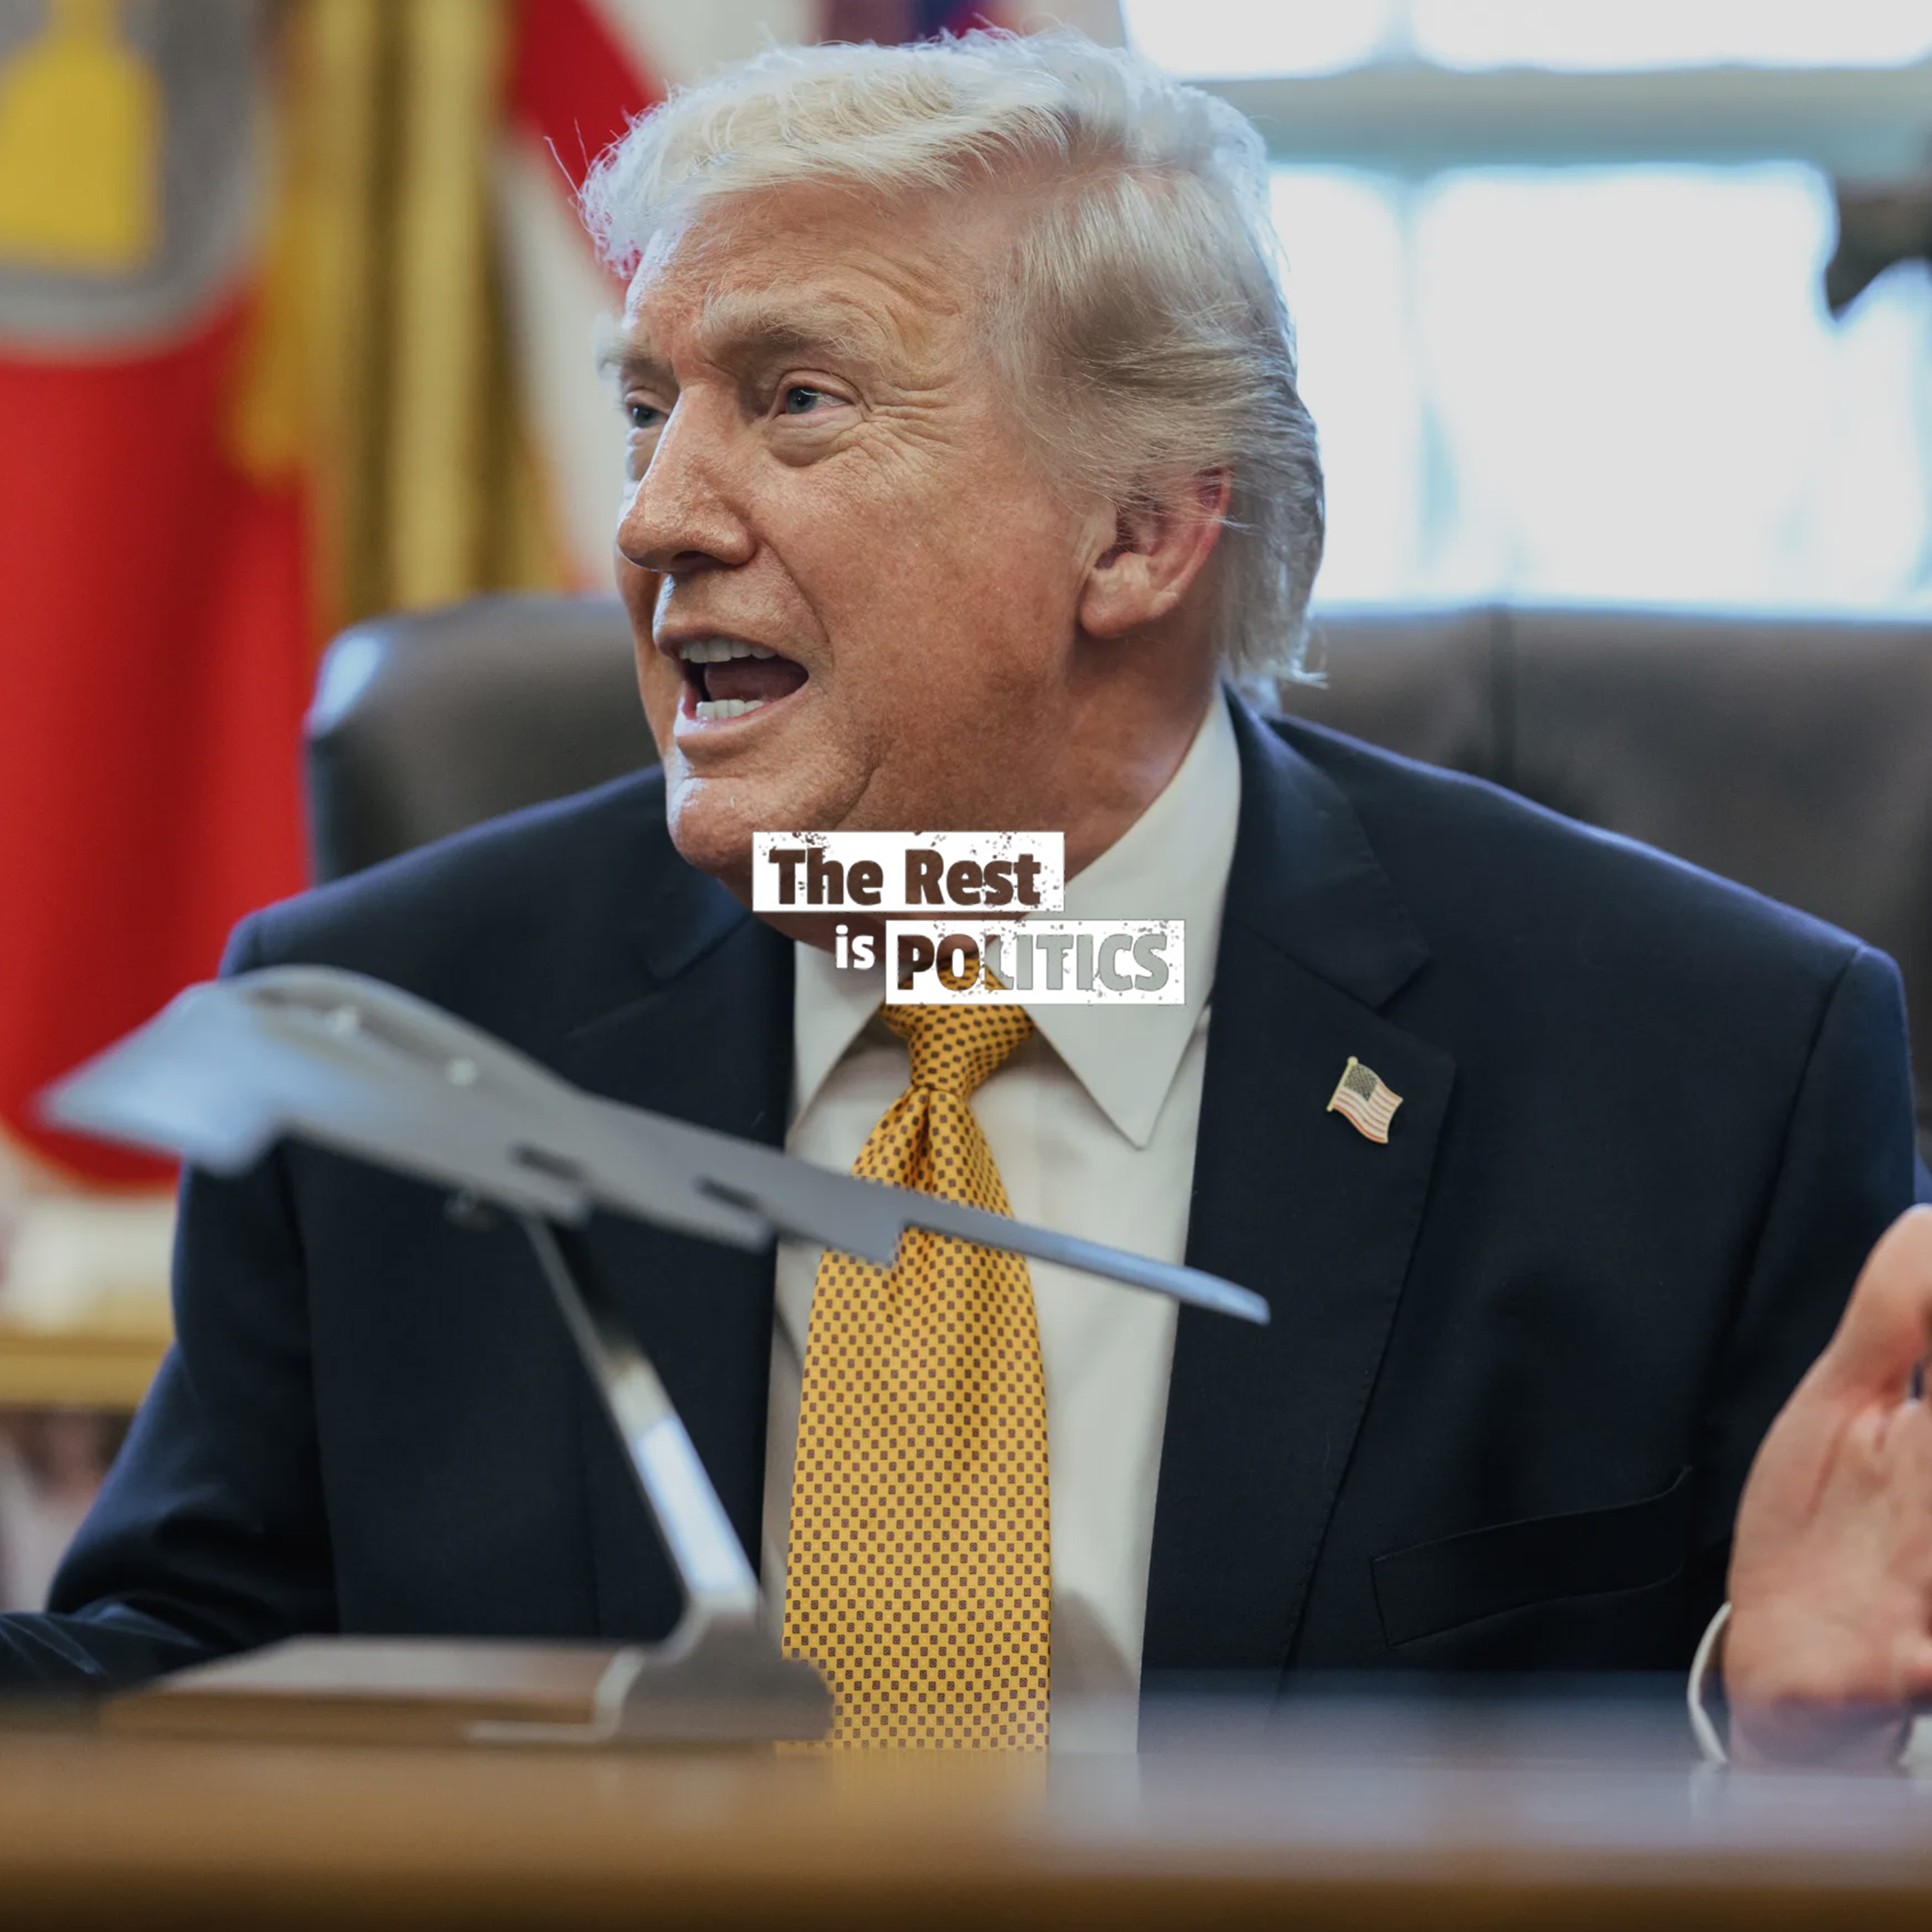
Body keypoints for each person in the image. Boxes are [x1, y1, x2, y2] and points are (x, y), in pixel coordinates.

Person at [2, 32, 1926, 1756]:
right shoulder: (396, 1028)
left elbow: (1785, 1713)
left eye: (797, 401)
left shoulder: (1701, 1076)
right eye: (649, 408)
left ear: (1142, 529)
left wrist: (1790, 1747)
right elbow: (179, 1695)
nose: (657, 517)